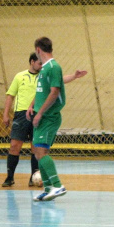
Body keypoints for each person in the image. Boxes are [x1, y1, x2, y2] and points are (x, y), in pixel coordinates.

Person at [2, 53, 87, 187]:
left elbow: (61, 80)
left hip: (38, 113)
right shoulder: (20, 76)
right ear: (32, 62)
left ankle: (34, 176)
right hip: (21, 114)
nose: (42, 66)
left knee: (36, 147)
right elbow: (10, 95)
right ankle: (9, 177)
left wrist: (74, 76)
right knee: (14, 146)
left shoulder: (45, 75)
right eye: (39, 63)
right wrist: (5, 114)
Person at [28, 37, 69, 201]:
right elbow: (42, 91)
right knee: (38, 152)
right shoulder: (45, 69)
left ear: (38, 50)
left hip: (48, 117)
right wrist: (32, 106)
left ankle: (58, 185)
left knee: (41, 152)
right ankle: (48, 188)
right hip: (41, 116)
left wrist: (39, 114)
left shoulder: (53, 67)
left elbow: (54, 91)